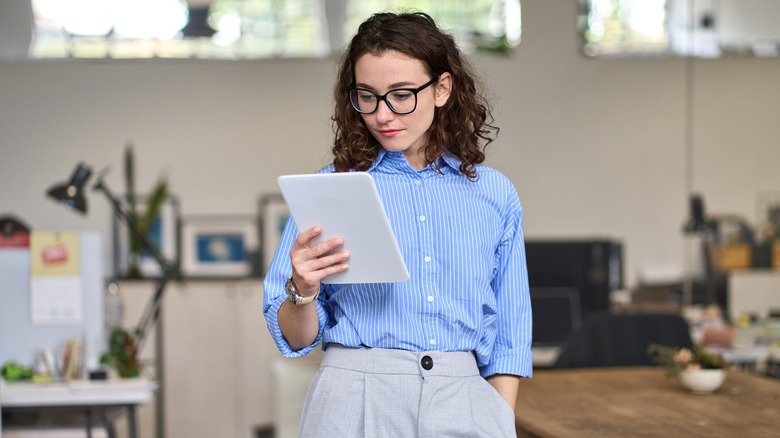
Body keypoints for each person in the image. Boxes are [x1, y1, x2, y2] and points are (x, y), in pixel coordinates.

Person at [263, 11, 532, 437]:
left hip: (464, 399)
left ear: (442, 88)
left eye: (401, 95)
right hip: (353, 397)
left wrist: (497, 419)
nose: (382, 114)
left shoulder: (494, 194)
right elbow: (296, 340)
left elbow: (510, 340)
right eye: (366, 96)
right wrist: (303, 289)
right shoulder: (330, 189)